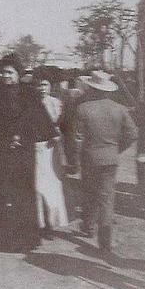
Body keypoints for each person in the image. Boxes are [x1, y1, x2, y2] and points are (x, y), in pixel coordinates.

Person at [0, 53, 59, 252]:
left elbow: (41, 121)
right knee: (2, 192)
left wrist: (22, 136)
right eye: (3, 72)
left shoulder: (29, 94)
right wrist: (3, 138)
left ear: (19, 74)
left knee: (22, 194)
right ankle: (1, 236)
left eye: (10, 72)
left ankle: (25, 238)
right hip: (0, 151)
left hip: (23, 152)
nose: (6, 76)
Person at [75, 70, 138, 256]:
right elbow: (133, 134)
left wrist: (78, 156)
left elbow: (78, 138)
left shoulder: (83, 108)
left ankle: (87, 226)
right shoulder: (120, 109)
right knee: (106, 199)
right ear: (109, 90)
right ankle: (105, 243)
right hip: (111, 159)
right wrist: (117, 149)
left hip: (89, 158)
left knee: (89, 192)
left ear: (92, 88)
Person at [33, 69, 68, 240]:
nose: (42, 88)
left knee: (52, 186)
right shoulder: (30, 104)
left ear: (50, 87)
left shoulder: (56, 103)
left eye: (45, 85)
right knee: (38, 186)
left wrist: (57, 135)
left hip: (51, 149)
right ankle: (40, 223)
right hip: (36, 147)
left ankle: (52, 223)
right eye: (39, 85)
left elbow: (62, 127)